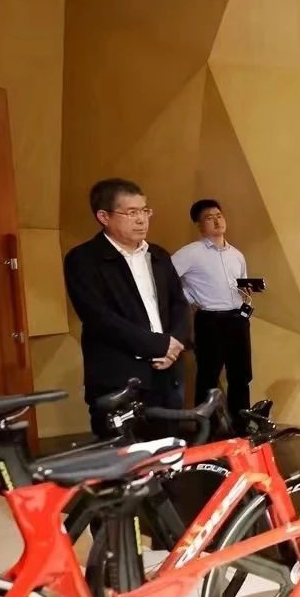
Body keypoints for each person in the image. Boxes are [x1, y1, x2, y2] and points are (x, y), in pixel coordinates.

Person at [64, 178, 190, 438]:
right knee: (123, 456)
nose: (141, 220)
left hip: (166, 373)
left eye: (145, 211)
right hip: (119, 377)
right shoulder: (84, 259)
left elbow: (179, 304)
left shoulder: (158, 255)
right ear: (104, 217)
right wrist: (159, 345)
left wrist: (174, 345)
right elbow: (99, 318)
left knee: (167, 453)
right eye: (131, 212)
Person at [172, 199, 253, 428]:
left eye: (219, 215)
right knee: (208, 377)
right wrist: (189, 297)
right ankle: (206, 429)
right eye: (209, 217)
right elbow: (166, 279)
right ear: (200, 226)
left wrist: (246, 290)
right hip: (211, 321)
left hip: (238, 319)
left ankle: (241, 427)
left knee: (241, 376)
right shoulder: (190, 253)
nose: (217, 221)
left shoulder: (236, 254)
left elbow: (241, 284)